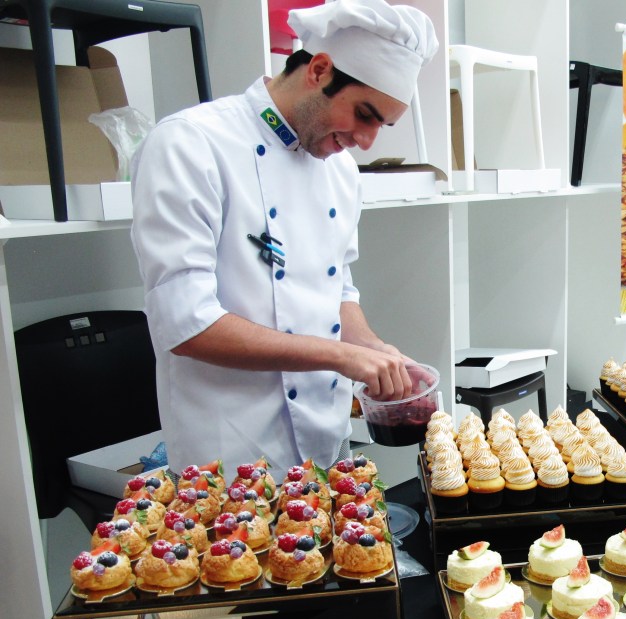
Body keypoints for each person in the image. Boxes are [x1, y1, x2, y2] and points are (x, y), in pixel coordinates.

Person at [131, 0, 437, 477]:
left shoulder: (340, 172)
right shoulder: (191, 144)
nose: (367, 141)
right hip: (230, 455)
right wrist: (344, 357)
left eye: (381, 125)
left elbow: (337, 291)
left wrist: (374, 350)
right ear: (319, 70)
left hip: (326, 446)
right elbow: (186, 325)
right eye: (364, 114)